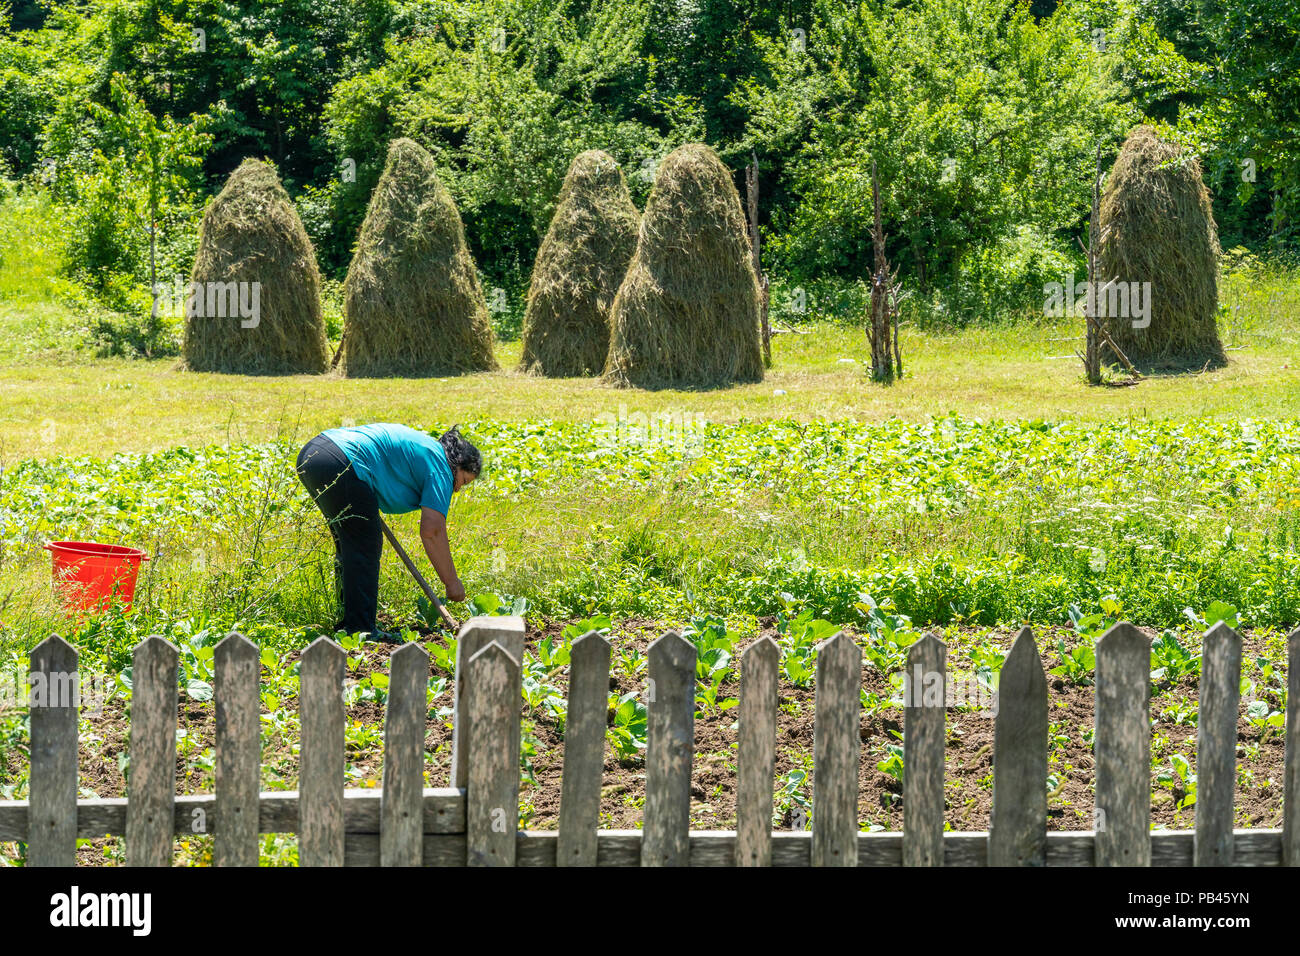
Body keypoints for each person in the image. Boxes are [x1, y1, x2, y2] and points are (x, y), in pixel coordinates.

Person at [296, 422, 480, 642]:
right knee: (364, 543)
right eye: (463, 481)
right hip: (340, 460)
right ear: (457, 465)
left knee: (351, 544)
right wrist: (451, 582)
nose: (457, 489)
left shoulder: (427, 451)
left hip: (315, 454)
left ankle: (350, 623)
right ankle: (360, 629)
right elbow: (432, 531)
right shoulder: (441, 466)